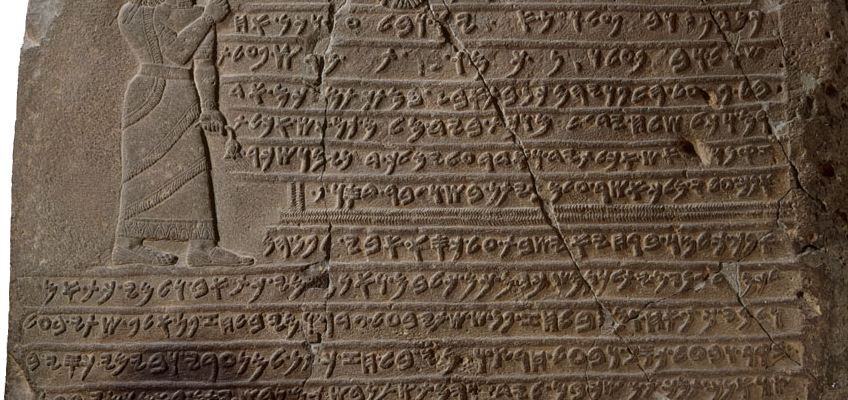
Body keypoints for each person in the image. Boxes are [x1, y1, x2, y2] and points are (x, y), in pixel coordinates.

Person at [112, 0, 253, 267]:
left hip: (182, 94)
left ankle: (202, 246)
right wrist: (208, 19)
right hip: (149, 93)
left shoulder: (199, 13)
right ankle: (127, 245)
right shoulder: (134, 12)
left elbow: (204, 64)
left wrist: (209, 107)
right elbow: (177, 53)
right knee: (143, 171)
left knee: (194, 169)